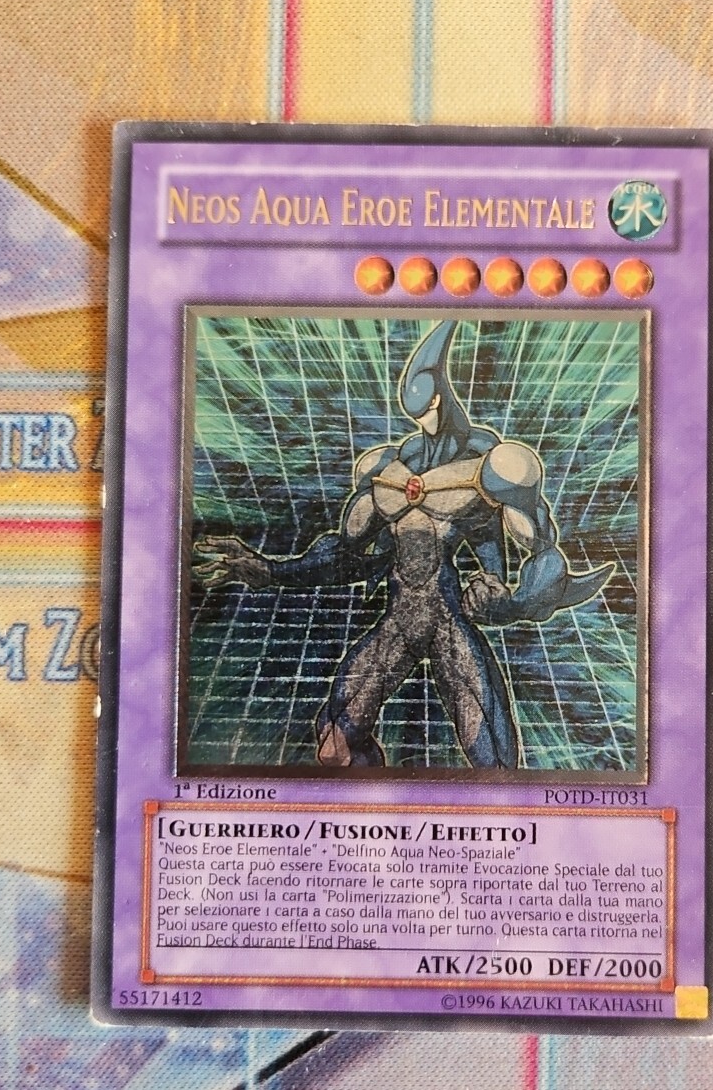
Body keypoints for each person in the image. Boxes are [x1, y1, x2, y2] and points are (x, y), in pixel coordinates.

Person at [194, 320, 613, 769]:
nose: (424, 415)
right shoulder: (385, 469)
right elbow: (346, 556)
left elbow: (543, 551)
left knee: (493, 760)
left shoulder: (494, 464)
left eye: (428, 402)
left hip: (448, 623)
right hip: (399, 621)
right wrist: (269, 570)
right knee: (334, 746)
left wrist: (509, 604)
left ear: (440, 398)